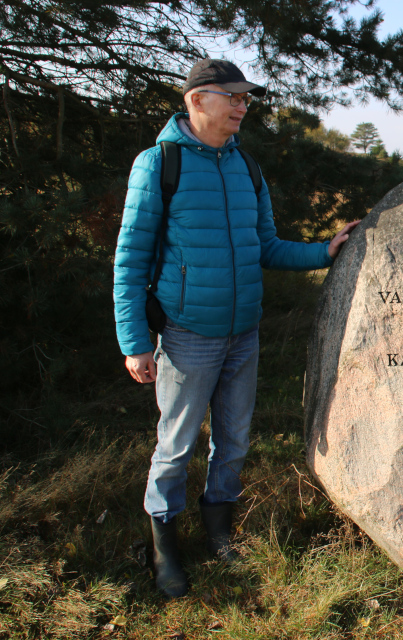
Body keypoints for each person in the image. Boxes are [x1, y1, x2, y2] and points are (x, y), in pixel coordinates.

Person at [113, 58, 360, 599]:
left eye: (247, 99)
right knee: (175, 446)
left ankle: (219, 534)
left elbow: (265, 246)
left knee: (233, 442)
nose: (243, 107)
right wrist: (134, 343)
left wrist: (325, 250)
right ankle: (164, 547)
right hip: (184, 335)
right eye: (234, 97)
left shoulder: (247, 167)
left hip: (243, 333)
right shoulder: (159, 165)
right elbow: (129, 260)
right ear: (198, 100)